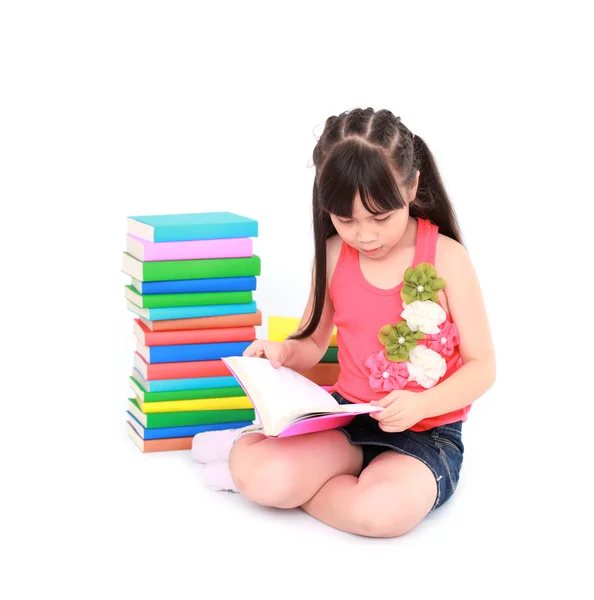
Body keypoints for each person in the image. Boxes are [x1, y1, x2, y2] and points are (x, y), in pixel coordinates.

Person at [192, 107, 496, 538]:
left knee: (381, 513)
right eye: (346, 219)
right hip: (345, 419)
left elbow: (482, 366)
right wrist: (283, 352)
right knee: (261, 473)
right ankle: (276, 475)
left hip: (425, 433)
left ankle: (292, 486)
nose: (365, 236)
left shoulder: (447, 258)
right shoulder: (334, 255)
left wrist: (422, 405)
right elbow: (313, 342)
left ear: (411, 187)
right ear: (325, 204)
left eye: (380, 217)